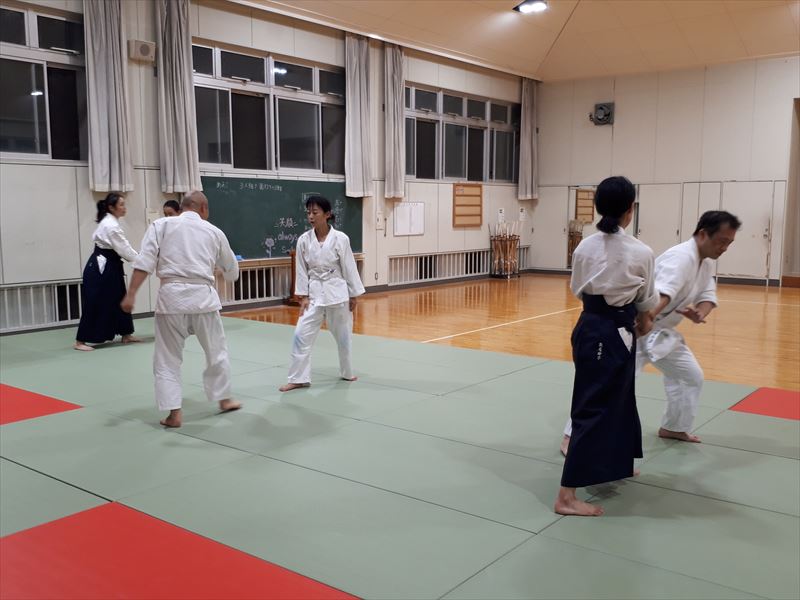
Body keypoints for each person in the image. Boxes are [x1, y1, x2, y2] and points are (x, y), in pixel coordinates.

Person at [560, 210, 741, 452]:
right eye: (721, 241)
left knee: (690, 376)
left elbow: (707, 296)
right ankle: (572, 436)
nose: (724, 248)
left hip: (662, 332)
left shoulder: (704, 264)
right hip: (638, 326)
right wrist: (647, 320)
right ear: (703, 234)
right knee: (610, 384)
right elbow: (663, 293)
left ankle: (674, 426)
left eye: (729, 243)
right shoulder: (681, 257)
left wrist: (700, 312)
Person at [555, 176, 659, 517]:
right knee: (592, 408)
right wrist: (643, 318)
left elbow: (577, 288)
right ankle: (566, 497)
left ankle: (618, 465)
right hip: (609, 332)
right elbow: (647, 298)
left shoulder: (584, 247)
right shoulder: (641, 252)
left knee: (621, 399)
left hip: (592, 327)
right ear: (630, 209)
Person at [120, 191, 241, 428]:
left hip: (171, 300)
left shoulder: (161, 226)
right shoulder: (214, 231)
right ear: (204, 208)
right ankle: (224, 399)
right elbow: (232, 271)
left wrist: (131, 293)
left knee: (167, 358)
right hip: (204, 300)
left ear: (183, 207)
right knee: (216, 351)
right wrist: (223, 273)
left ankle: (174, 414)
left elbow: (144, 262)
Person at [279, 196, 365, 392]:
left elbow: (349, 267)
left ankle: (347, 372)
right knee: (300, 335)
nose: (310, 216)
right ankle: (298, 378)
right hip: (314, 294)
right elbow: (301, 269)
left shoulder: (341, 239)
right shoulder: (304, 240)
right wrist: (303, 295)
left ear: (327, 214)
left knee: (343, 337)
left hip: (337, 293)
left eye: (315, 212)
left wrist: (353, 295)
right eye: (308, 212)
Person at [74, 193, 140, 351]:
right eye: (121, 205)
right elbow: (125, 250)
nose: (124, 208)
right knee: (95, 301)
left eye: (124, 204)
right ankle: (80, 341)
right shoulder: (111, 226)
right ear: (111, 207)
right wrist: (145, 261)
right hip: (100, 268)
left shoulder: (111, 222)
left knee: (119, 297)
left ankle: (126, 333)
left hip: (111, 265)